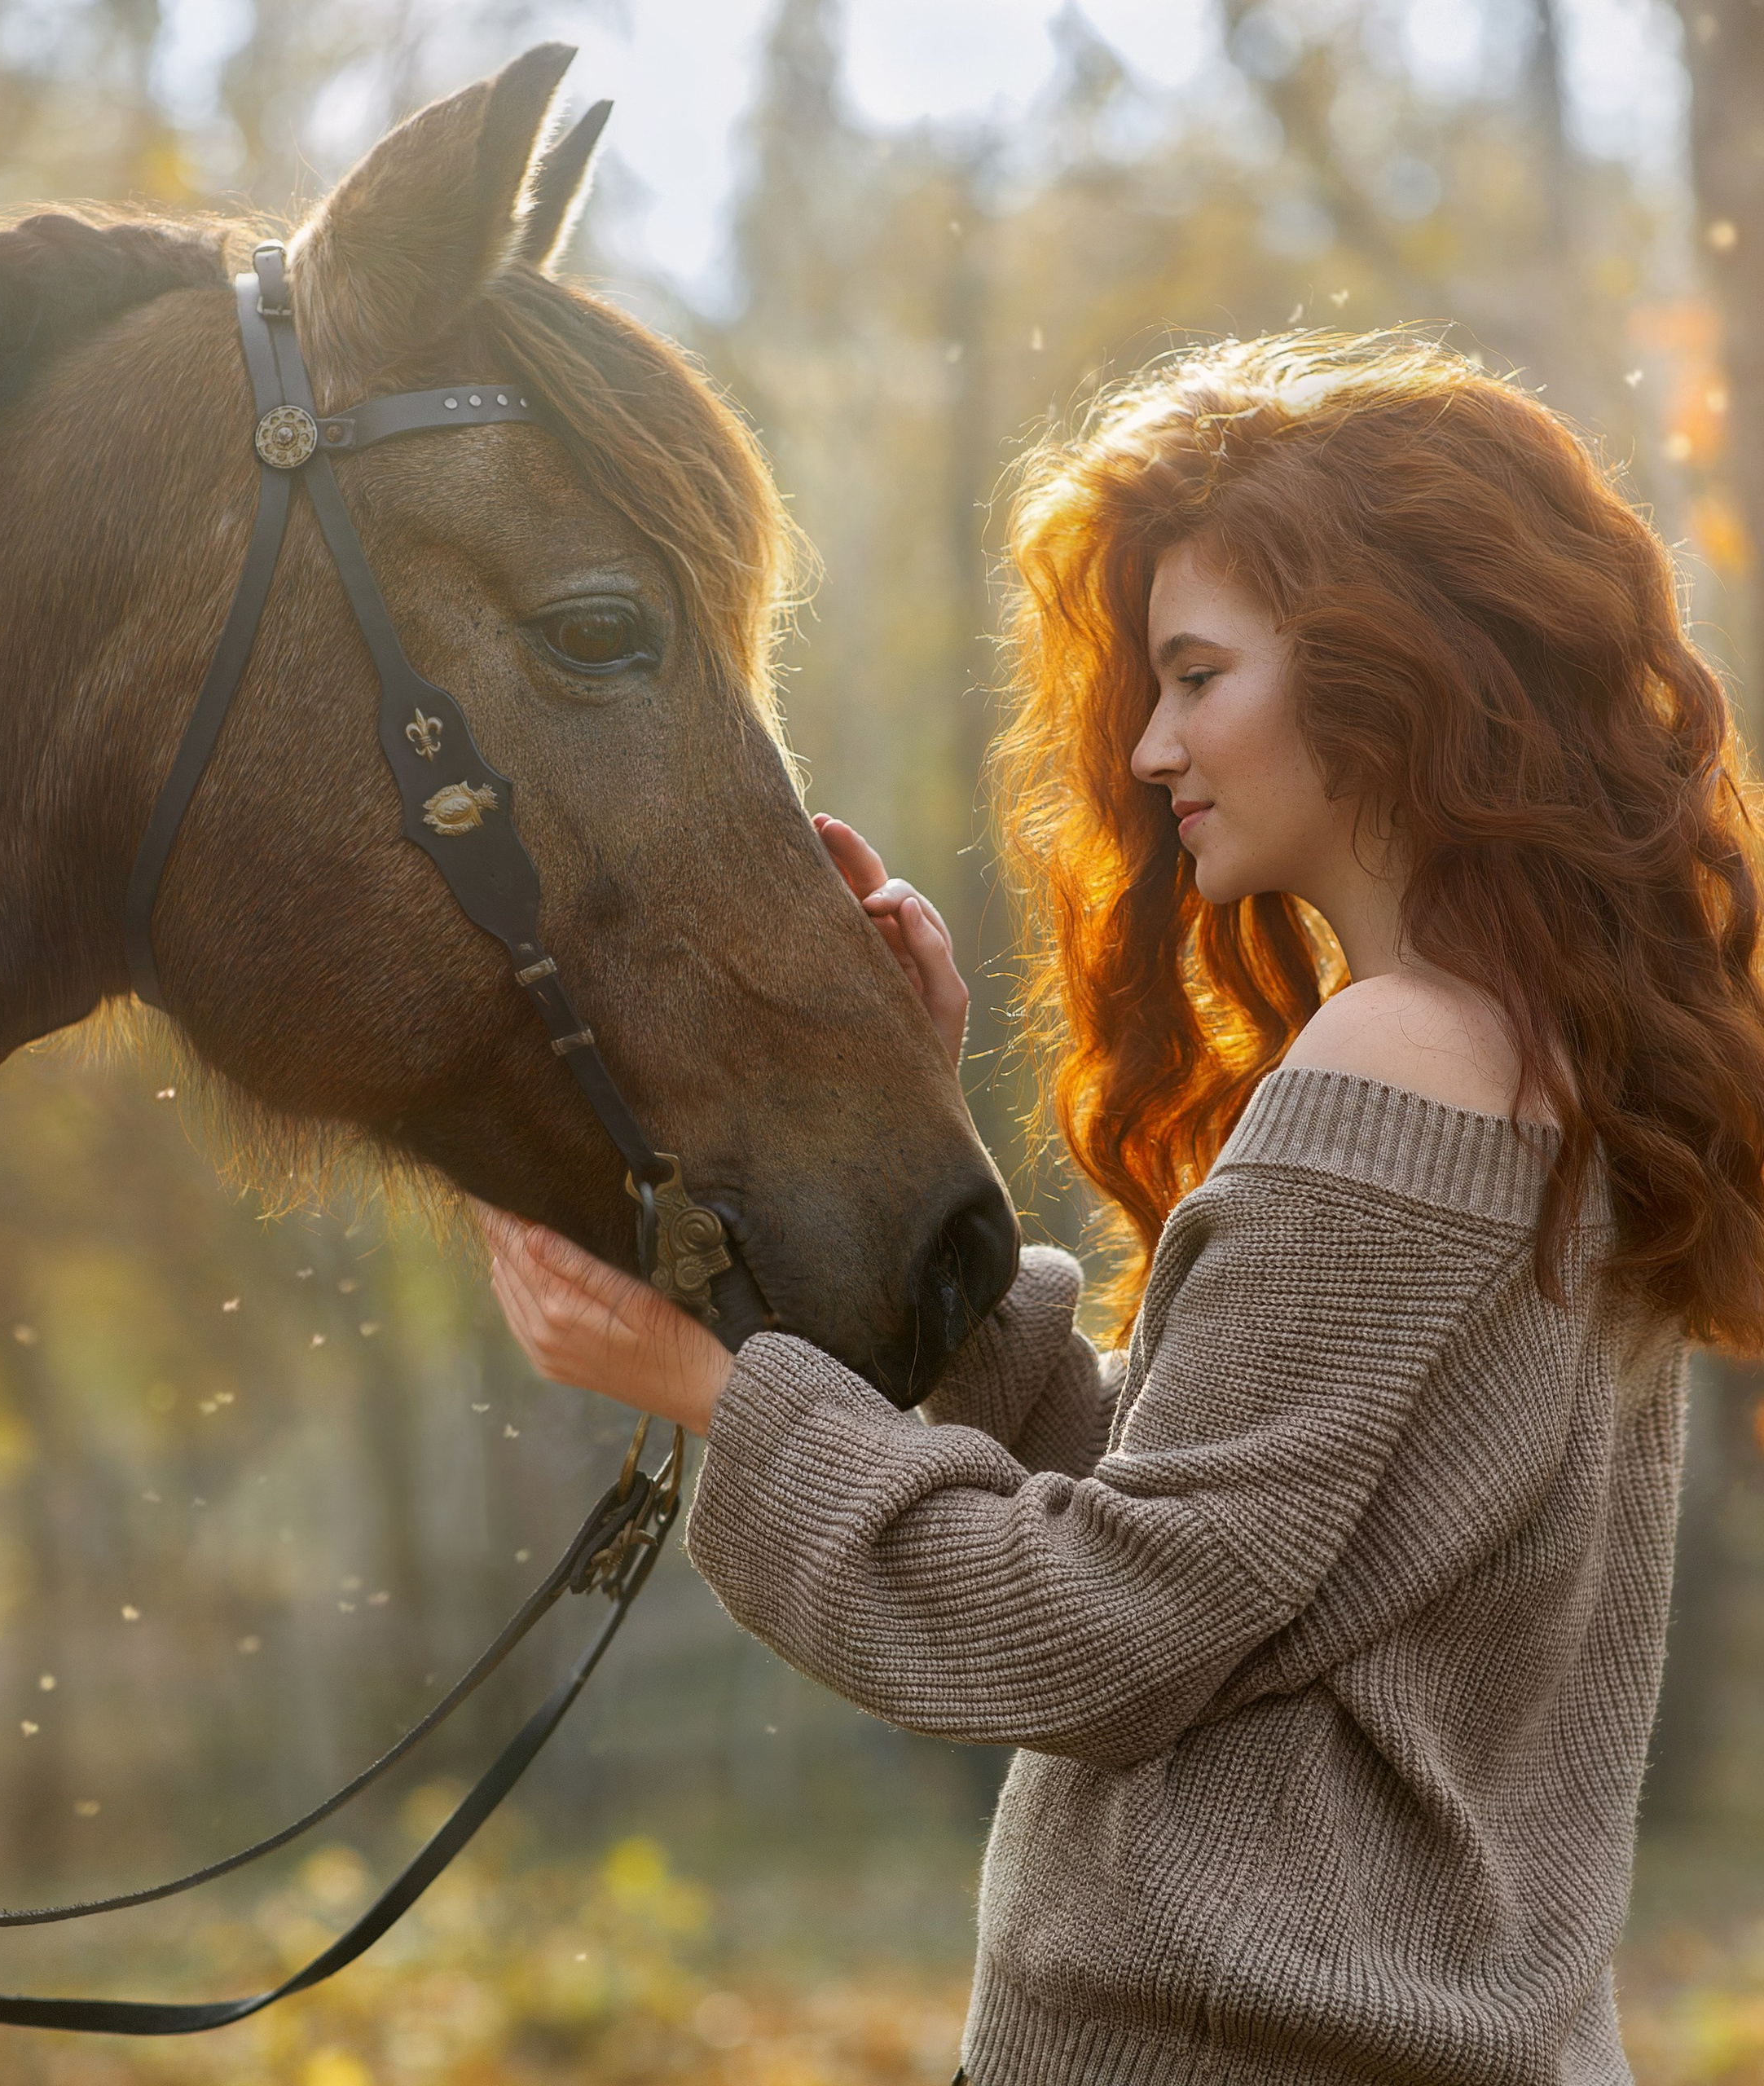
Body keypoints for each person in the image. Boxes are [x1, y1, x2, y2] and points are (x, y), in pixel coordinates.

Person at [473, 332, 1764, 2086]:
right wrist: (919, 1115)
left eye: (1196, 672)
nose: (1151, 746)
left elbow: (1097, 1629)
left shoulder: (1391, 1061)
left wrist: (715, 1390)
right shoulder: (1541, 1059)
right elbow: (1218, 1555)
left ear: (1388, 668)